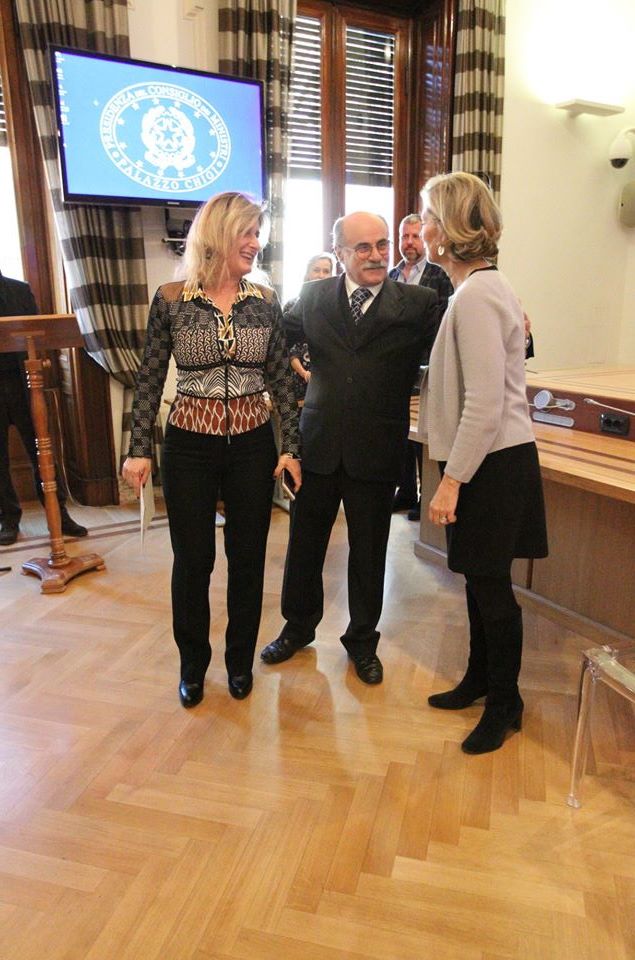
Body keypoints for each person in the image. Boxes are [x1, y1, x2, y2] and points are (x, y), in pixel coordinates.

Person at [122, 192, 301, 708]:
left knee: (247, 558)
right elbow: (149, 377)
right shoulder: (171, 299)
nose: (255, 242)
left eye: (258, 233)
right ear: (218, 235)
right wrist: (139, 448)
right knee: (193, 560)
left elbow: (281, 380)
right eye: (247, 232)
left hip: (251, 444)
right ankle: (193, 666)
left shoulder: (265, 300)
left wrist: (290, 446)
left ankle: (239, 663)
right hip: (189, 446)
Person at [260, 211, 439, 684]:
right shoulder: (314, 296)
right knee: (304, 546)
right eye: (363, 247)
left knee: (369, 553)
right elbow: (274, 343)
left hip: (377, 450)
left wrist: (517, 333)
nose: (377, 255)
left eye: (382, 244)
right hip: (317, 445)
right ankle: (297, 628)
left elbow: (458, 345)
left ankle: (362, 640)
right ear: (339, 252)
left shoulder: (419, 303)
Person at [418, 172, 548, 754]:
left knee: (492, 589)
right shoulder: (480, 289)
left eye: (428, 218)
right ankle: (479, 679)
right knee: (477, 579)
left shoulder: (475, 295)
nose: (422, 229)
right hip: (490, 459)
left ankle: (505, 704)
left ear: (448, 231)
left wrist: (452, 482)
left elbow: (486, 403)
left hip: (491, 464)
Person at [0, 270, 88, 546]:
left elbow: (39, 335)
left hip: (24, 384)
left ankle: (58, 514)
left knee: (43, 451)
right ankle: (8, 519)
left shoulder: (20, 290)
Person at [389, 214, 454, 521]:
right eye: (404, 236)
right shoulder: (391, 275)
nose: (409, 243)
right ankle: (404, 491)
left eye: (415, 236)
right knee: (401, 433)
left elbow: (440, 323)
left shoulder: (439, 275)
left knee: (421, 436)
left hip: (426, 364)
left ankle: (424, 494)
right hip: (396, 365)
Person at [285, 253, 335, 401]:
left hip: (327, 381)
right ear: (307, 273)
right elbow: (286, 346)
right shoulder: (292, 305)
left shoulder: (336, 308)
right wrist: (304, 373)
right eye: (316, 270)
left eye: (326, 271)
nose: (321, 275)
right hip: (297, 378)